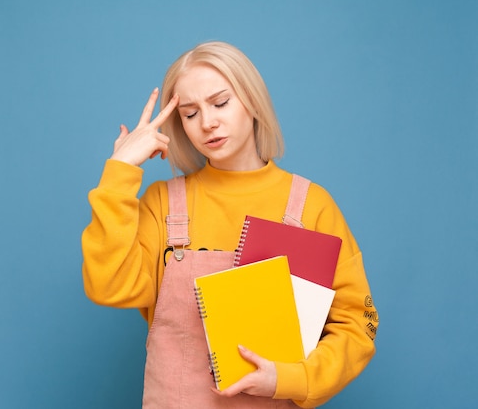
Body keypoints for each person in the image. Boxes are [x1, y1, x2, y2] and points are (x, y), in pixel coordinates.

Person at [81, 41, 378, 408]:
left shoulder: (311, 206)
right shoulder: (163, 204)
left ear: (252, 101)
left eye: (220, 103)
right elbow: (107, 287)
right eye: (190, 114)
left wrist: (290, 379)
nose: (208, 123)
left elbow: (358, 325)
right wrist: (119, 173)